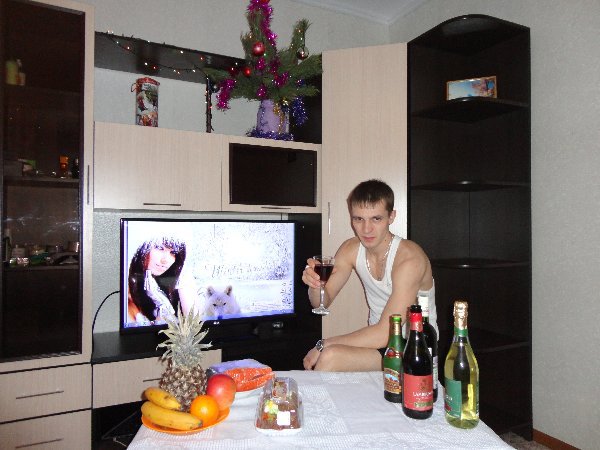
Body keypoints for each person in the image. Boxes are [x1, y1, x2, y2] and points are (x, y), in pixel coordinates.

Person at [302, 179, 437, 371]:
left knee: (329, 355)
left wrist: (324, 343)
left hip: (415, 349)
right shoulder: (350, 249)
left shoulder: (409, 259)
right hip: (378, 345)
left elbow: (386, 333)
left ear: (391, 217)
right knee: (328, 357)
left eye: (376, 219)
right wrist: (315, 285)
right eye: (358, 219)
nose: (366, 229)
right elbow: (321, 302)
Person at [127, 236, 200, 325]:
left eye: (173, 252)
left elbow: (194, 325)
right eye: (159, 248)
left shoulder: (178, 280)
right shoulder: (126, 291)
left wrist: (183, 280)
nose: (165, 260)